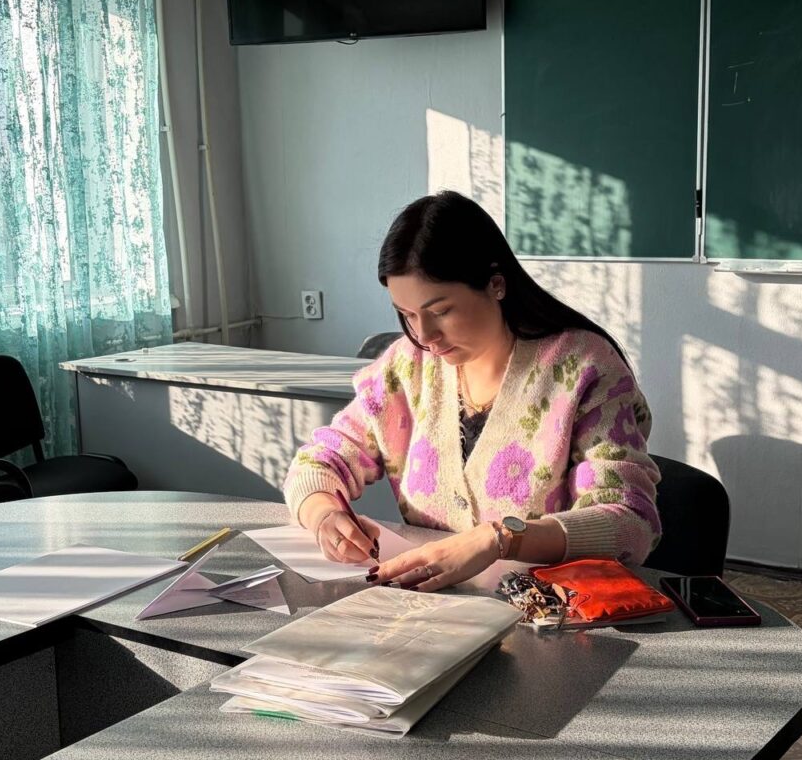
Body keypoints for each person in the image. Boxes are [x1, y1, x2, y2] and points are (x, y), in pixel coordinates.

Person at [283, 191, 661, 592]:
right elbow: (317, 461)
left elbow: (629, 522)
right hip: (430, 607)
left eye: (441, 311)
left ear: (496, 284)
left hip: (550, 612)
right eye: (407, 315)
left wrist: (500, 538)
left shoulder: (582, 368)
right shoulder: (407, 366)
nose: (425, 335)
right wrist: (325, 515)